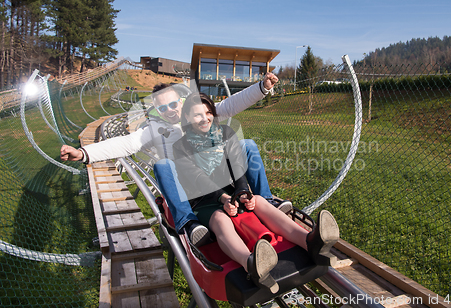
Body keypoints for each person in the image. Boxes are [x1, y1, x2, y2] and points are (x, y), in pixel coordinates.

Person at [60, 74, 289, 246]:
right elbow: (125, 143)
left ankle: (267, 199)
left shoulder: (198, 115)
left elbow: (230, 105)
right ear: (157, 109)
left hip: (215, 178)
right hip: (188, 186)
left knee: (245, 144)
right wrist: (84, 153)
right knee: (163, 164)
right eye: (162, 107)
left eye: (172, 104)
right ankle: (188, 222)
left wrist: (262, 88)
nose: (169, 110)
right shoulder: (155, 130)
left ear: (181, 102)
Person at [172, 92, 339, 293]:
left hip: (231, 195)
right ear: (187, 118)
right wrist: (224, 199)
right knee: (220, 219)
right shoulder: (180, 147)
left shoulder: (225, 133)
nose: (205, 118)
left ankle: (308, 241)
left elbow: (238, 165)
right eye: (197, 115)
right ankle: (249, 262)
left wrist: (243, 192)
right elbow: (196, 179)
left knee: (259, 201)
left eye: (208, 112)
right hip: (204, 200)